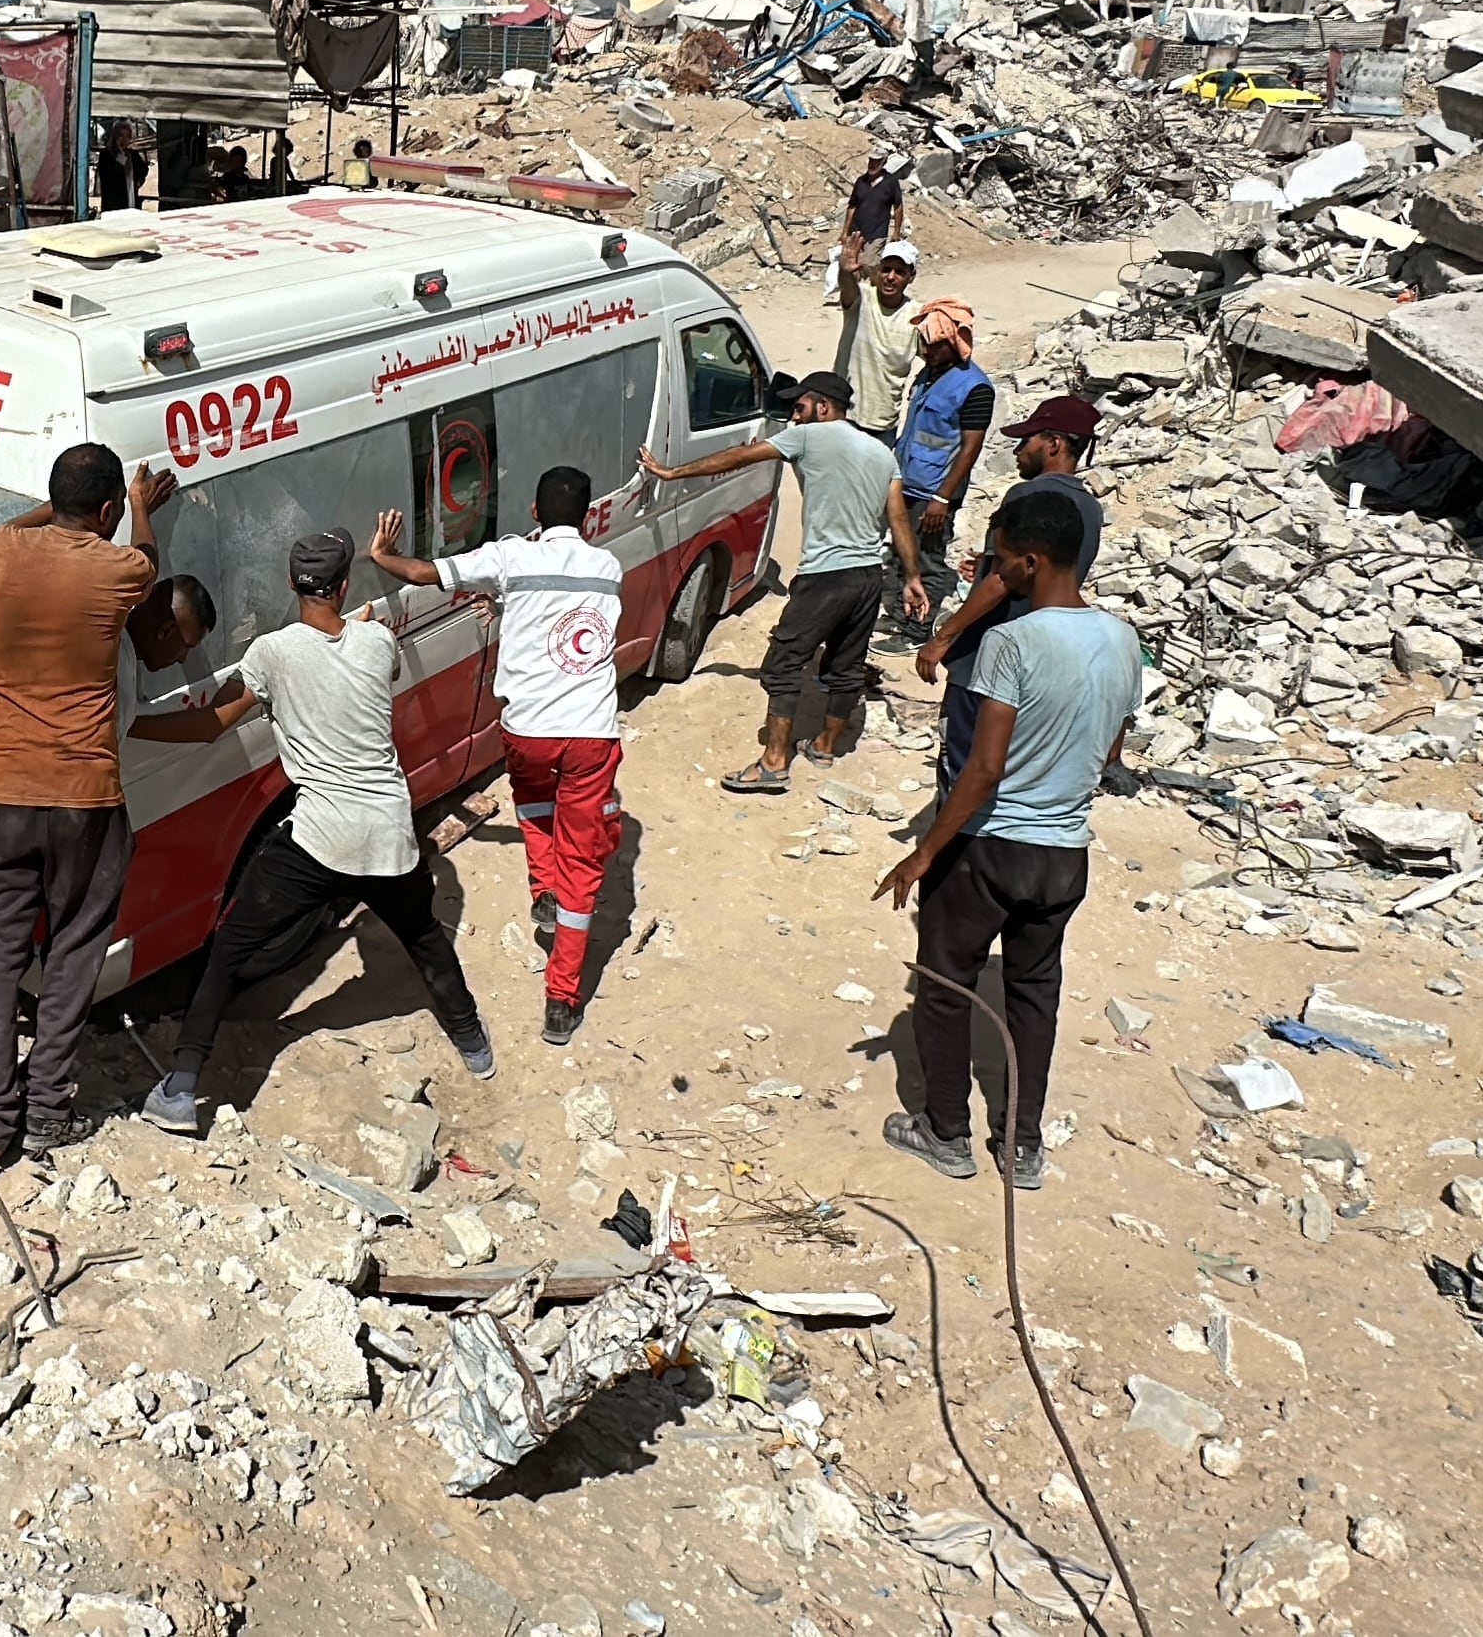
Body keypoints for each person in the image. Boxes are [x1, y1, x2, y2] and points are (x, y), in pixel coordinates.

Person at [141, 531, 494, 1135]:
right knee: (426, 938)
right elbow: (355, 657)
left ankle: (181, 1087)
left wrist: (131, 728)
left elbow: (209, 726)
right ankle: (472, 1042)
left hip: (317, 840)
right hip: (388, 835)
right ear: (344, 585)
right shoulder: (377, 642)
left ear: (289, 583)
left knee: (228, 948)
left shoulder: (270, 653)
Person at [0, 569, 226, 1122]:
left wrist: (232, 706)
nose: (183, 660)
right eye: (184, 642)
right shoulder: (114, 670)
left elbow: (156, 726)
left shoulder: (99, 642)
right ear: (159, 628)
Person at [872, 490, 1142, 1191]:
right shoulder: (1121, 639)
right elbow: (1112, 747)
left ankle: (945, 1132)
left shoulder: (1010, 642)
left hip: (990, 848)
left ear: (1031, 560)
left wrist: (925, 849)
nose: (998, 572)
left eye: (1003, 561)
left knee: (942, 986)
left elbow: (984, 767)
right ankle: (1022, 1147)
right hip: (1064, 854)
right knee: (1033, 995)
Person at [0, 447, 178, 1172]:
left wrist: (64, 508)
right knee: (73, 956)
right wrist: (142, 505)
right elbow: (144, 553)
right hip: (85, 799)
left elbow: (14, 530)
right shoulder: (120, 570)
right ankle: (49, 1111)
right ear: (109, 511)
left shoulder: (1, 552)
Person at [367, 466, 622, 1044]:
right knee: (585, 862)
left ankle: (543, 892)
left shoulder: (510, 559)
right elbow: (576, 627)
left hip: (527, 731)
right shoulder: (608, 567)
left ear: (535, 513)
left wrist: (384, 555)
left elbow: (426, 574)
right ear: (584, 516)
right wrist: (509, 606)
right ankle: (562, 998)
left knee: (533, 804)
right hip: (591, 735)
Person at [641, 370, 926, 787]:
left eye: (800, 407)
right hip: (867, 577)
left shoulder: (809, 436)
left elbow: (741, 456)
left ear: (823, 407)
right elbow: (898, 518)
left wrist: (672, 473)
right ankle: (825, 747)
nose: (794, 417)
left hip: (825, 575)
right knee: (847, 665)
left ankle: (774, 762)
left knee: (783, 664)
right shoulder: (882, 453)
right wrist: (912, 577)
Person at [918, 395, 1108, 792]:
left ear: (1053, 444)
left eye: (1027, 441)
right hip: (1042, 659)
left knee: (963, 769)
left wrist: (942, 638)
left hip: (988, 662)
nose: (1018, 451)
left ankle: (946, 851)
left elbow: (1003, 581)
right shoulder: (1090, 509)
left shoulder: (1025, 497)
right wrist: (986, 566)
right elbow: (1036, 572)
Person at [895, 300, 997, 631]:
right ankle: (901, 615)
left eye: (934, 345)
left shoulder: (976, 387)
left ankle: (917, 629)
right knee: (904, 554)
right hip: (908, 480)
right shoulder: (929, 374)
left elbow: (971, 447)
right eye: (923, 344)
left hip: (934, 491)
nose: (926, 351)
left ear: (953, 343)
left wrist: (942, 498)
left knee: (927, 562)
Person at [832, 239, 925, 441]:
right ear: (877, 270)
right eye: (886, 269)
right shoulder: (861, 299)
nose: (891, 277)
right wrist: (845, 272)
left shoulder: (917, 315)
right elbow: (848, 290)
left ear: (911, 277)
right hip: (845, 416)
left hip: (883, 423)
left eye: (900, 272)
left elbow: (933, 356)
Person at [837, 142, 909, 292]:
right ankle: (854, 295)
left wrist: (896, 231)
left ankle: (878, 290)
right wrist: (845, 232)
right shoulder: (861, 182)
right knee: (852, 265)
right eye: (871, 161)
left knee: (871, 263)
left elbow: (898, 207)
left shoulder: (890, 183)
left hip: (877, 232)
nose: (872, 164)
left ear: (883, 163)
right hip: (856, 232)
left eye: (876, 162)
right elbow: (852, 206)